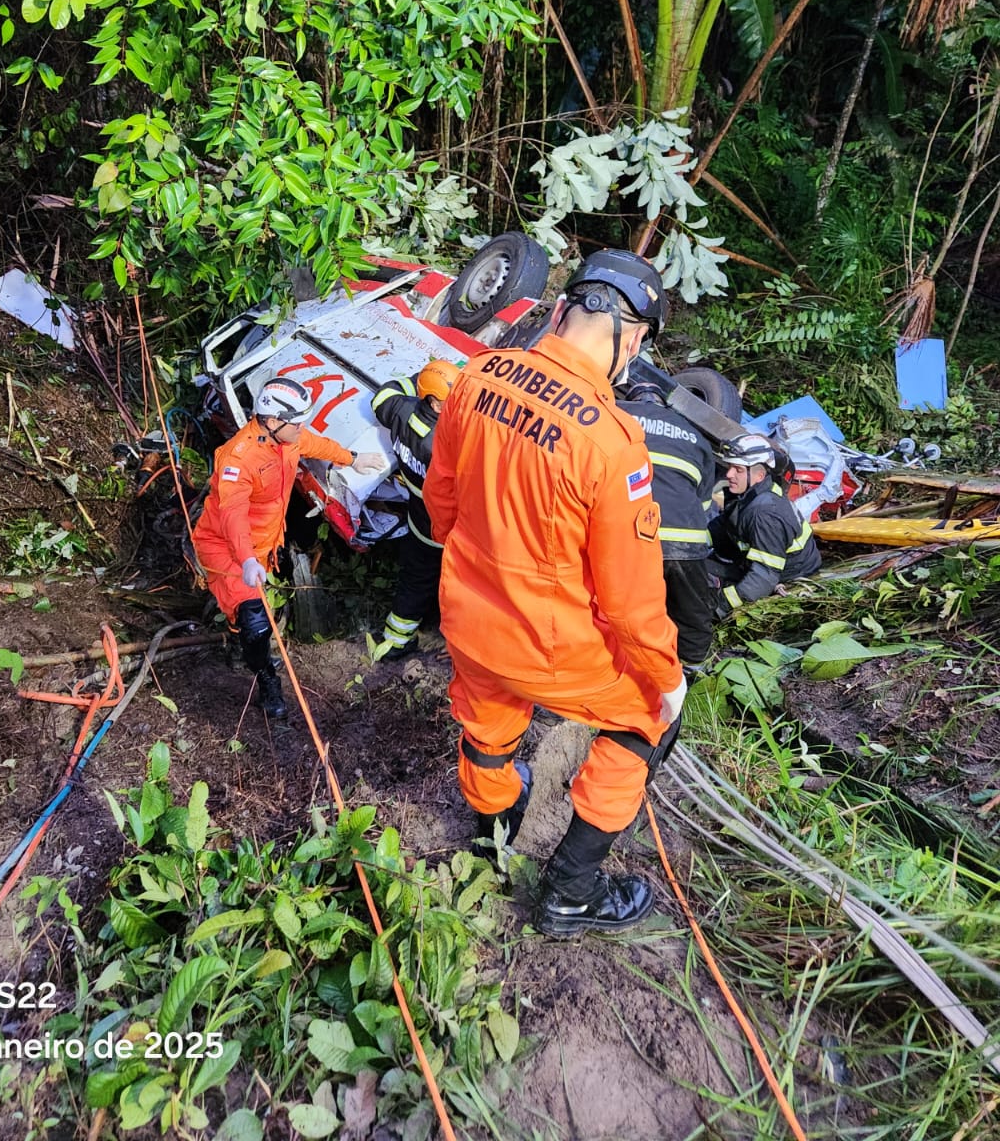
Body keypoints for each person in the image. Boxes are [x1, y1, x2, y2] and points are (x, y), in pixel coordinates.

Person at [424, 249, 686, 938]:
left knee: (488, 727)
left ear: (566, 307)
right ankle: (571, 892)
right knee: (645, 720)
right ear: (631, 337)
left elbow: (442, 506)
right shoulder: (612, 440)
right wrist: (666, 676)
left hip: (470, 619)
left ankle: (491, 836)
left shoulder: (477, 376)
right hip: (550, 645)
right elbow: (630, 605)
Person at [191, 377, 387, 718]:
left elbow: (315, 444)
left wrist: (351, 458)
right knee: (255, 621)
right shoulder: (239, 459)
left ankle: (240, 633)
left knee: (248, 611)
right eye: (296, 422)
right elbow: (232, 516)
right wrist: (247, 559)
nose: (302, 428)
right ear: (271, 420)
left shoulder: (288, 437)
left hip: (263, 541)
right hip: (227, 547)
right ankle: (265, 675)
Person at [617, 378, 720, 675]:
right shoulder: (694, 435)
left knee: (616, 607)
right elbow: (702, 504)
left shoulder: (618, 414)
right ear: (664, 404)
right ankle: (692, 671)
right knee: (691, 612)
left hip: (631, 537)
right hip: (685, 542)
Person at [369, 358, 460, 661]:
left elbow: (382, 396)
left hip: (418, 519)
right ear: (435, 404)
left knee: (415, 578)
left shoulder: (401, 411)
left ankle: (395, 641)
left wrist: (423, 379)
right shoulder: (443, 445)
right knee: (454, 584)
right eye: (452, 400)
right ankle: (456, 640)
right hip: (446, 528)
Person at [709, 432, 821, 610]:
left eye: (738, 470)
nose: (729, 474)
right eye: (730, 466)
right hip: (754, 564)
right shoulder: (749, 494)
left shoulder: (764, 513)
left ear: (759, 476)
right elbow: (724, 526)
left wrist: (718, 608)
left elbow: (764, 576)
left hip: (786, 577)